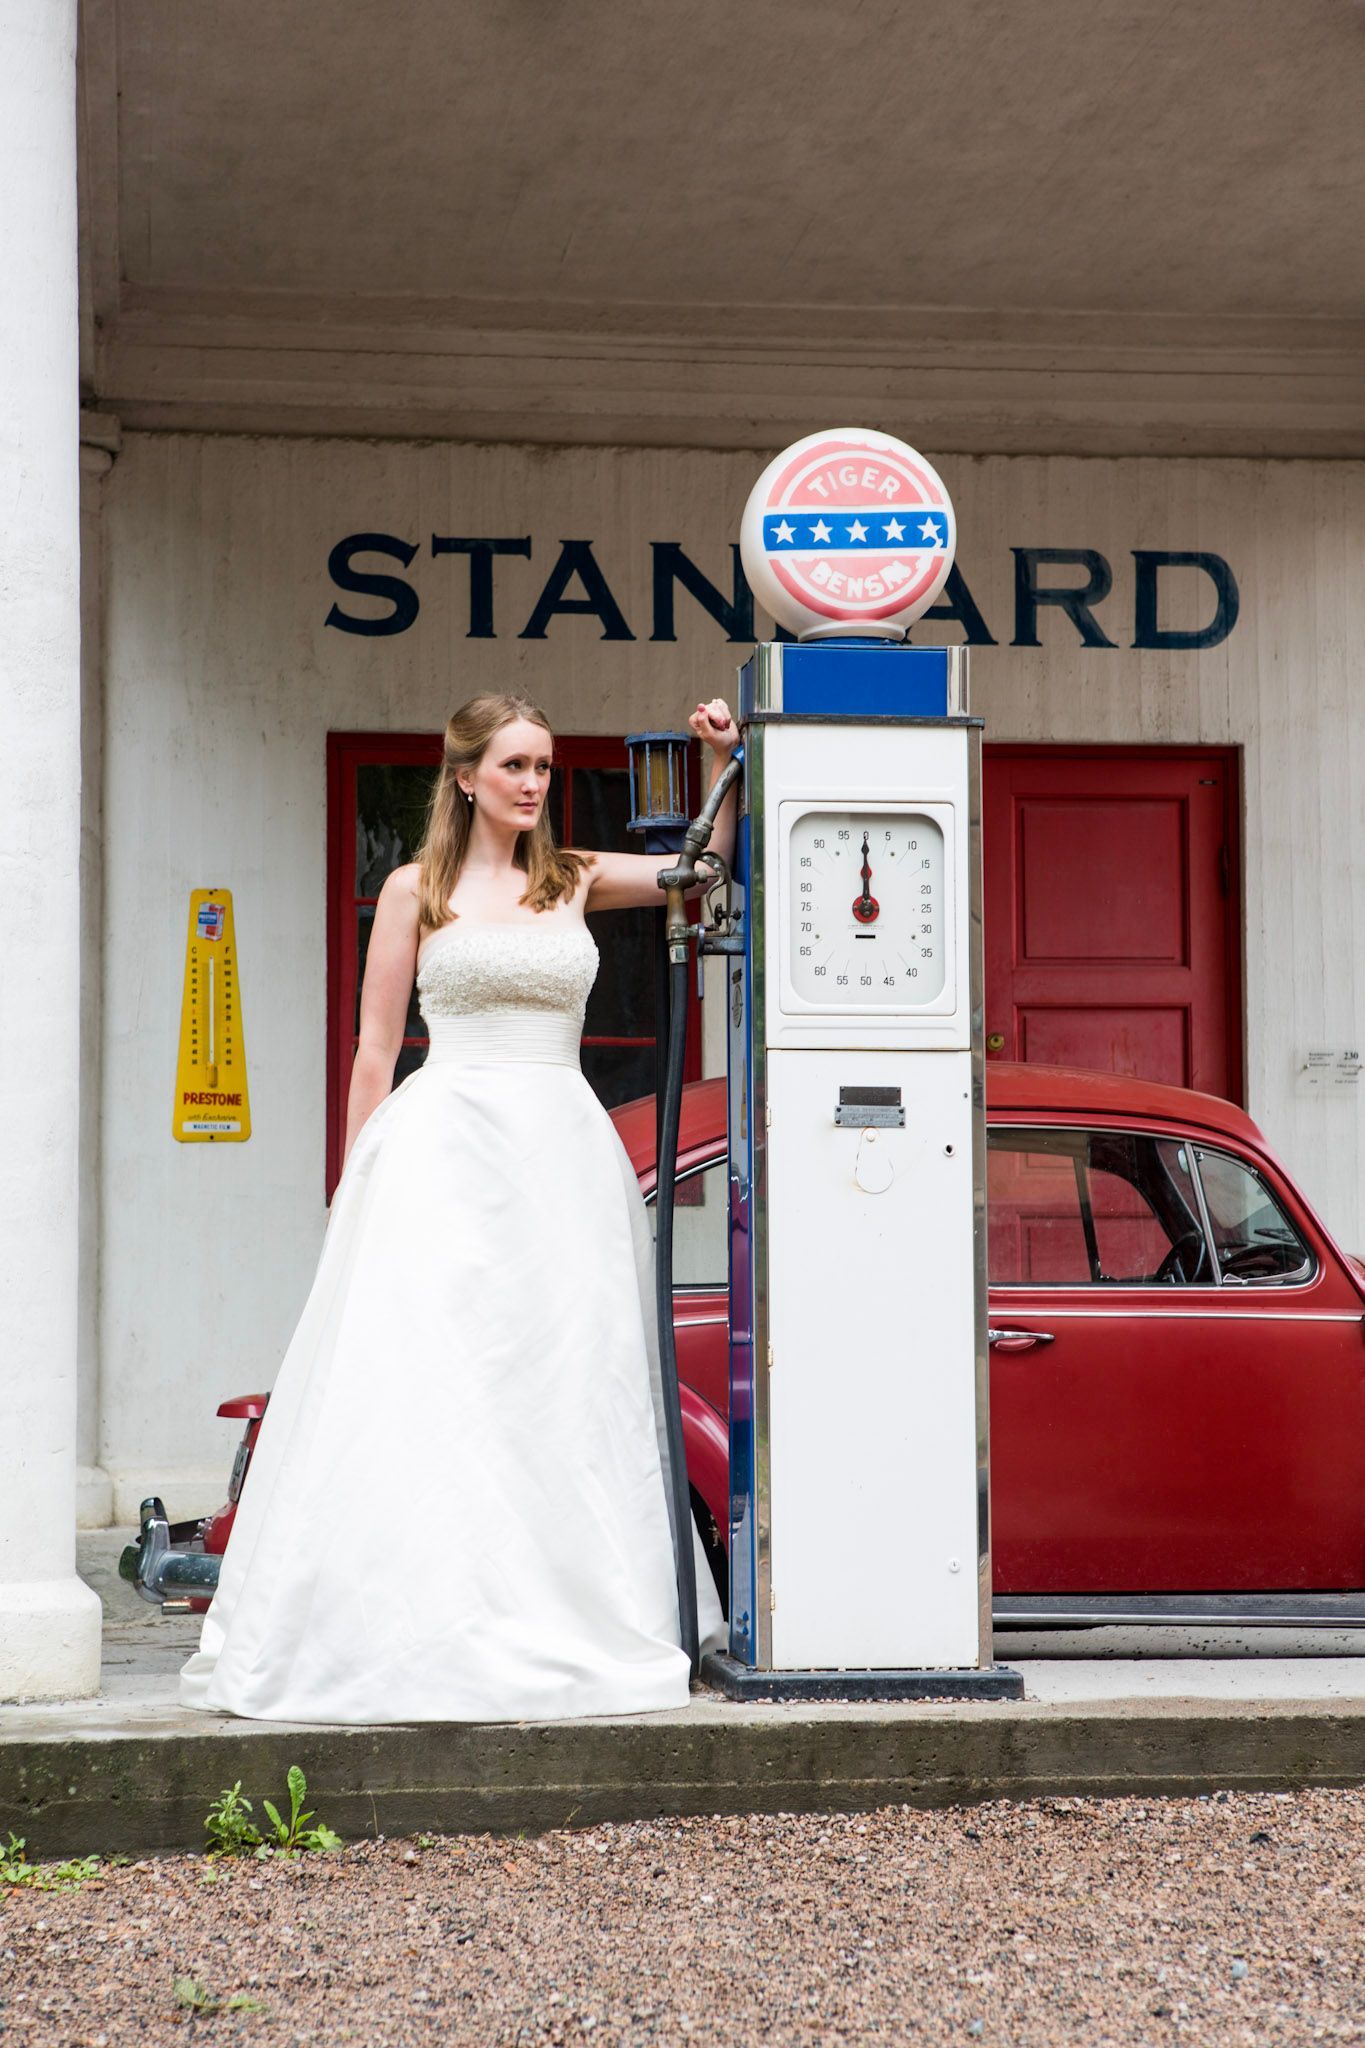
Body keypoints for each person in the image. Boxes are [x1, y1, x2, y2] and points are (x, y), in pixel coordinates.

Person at [180, 692, 737, 1724]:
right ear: (468, 775)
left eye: (544, 766)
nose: (534, 783)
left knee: (561, 1376)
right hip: (441, 1148)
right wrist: (355, 1181)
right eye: (516, 765)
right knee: (437, 1376)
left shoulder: (570, 877)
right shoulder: (414, 890)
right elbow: (375, 1049)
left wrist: (719, 766)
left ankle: (563, 1611)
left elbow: (696, 875)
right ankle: (417, 1620)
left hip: (561, 1156)